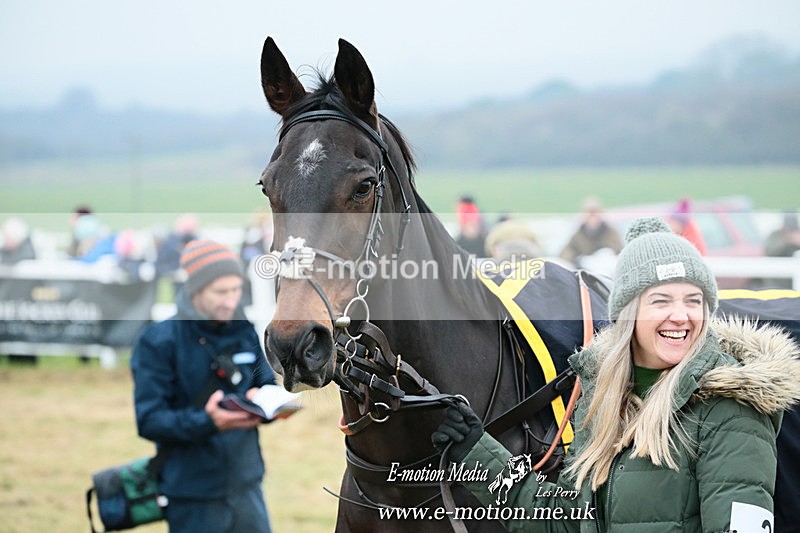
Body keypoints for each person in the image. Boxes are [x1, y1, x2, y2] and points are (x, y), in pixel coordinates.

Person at [432, 217, 800, 532]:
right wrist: (476, 453)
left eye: (694, 300)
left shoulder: (730, 409)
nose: (681, 315)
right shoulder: (603, 401)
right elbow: (562, 522)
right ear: (628, 313)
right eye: (661, 300)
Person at [131, 239, 276, 533]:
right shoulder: (158, 341)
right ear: (195, 290)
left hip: (247, 486)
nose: (231, 300)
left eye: (236, 290)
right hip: (191, 494)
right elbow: (149, 420)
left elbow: (267, 383)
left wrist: (269, 404)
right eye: (221, 292)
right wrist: (208, 422)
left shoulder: (244, 329)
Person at [559, 197, 622, 265]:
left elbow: (619, 252)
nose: (592, 216)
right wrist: (576, 260)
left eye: (594, 212)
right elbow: (566, 254)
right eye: (589, 212)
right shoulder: (577, 236)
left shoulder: (611, 233)